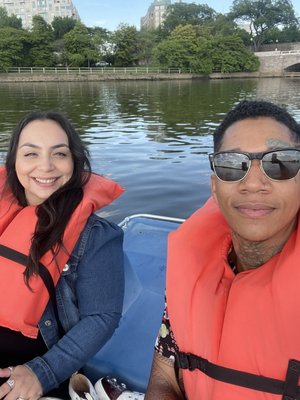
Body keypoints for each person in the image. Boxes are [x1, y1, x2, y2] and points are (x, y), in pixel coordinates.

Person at [145, 100, 300, 400]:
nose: (254, 184)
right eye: (233, 165)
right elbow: (165, 373)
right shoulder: (190, 269)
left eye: (280, 162)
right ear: (215, 187)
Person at [0, 111, 125, 398]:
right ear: (14, 161)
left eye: (59, 154)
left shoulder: (95, 235)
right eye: (31, 154)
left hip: (28, 370)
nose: (45, 166)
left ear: (74, 161)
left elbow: (102, 316)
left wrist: (42, 372)